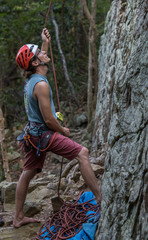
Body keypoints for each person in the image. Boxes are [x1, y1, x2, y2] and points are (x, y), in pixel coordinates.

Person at [13, 28, 102, 228]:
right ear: (36, 62)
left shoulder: (31, 80)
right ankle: (101, 200)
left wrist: (44, 42)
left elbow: (39, 63)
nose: (46, 53)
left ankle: (18, 217)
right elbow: (49, 120)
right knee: (83, 153)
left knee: (28, 172)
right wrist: (63, 130)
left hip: (33, 135)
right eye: (41, 53)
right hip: (44, 134)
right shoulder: (41, 86)